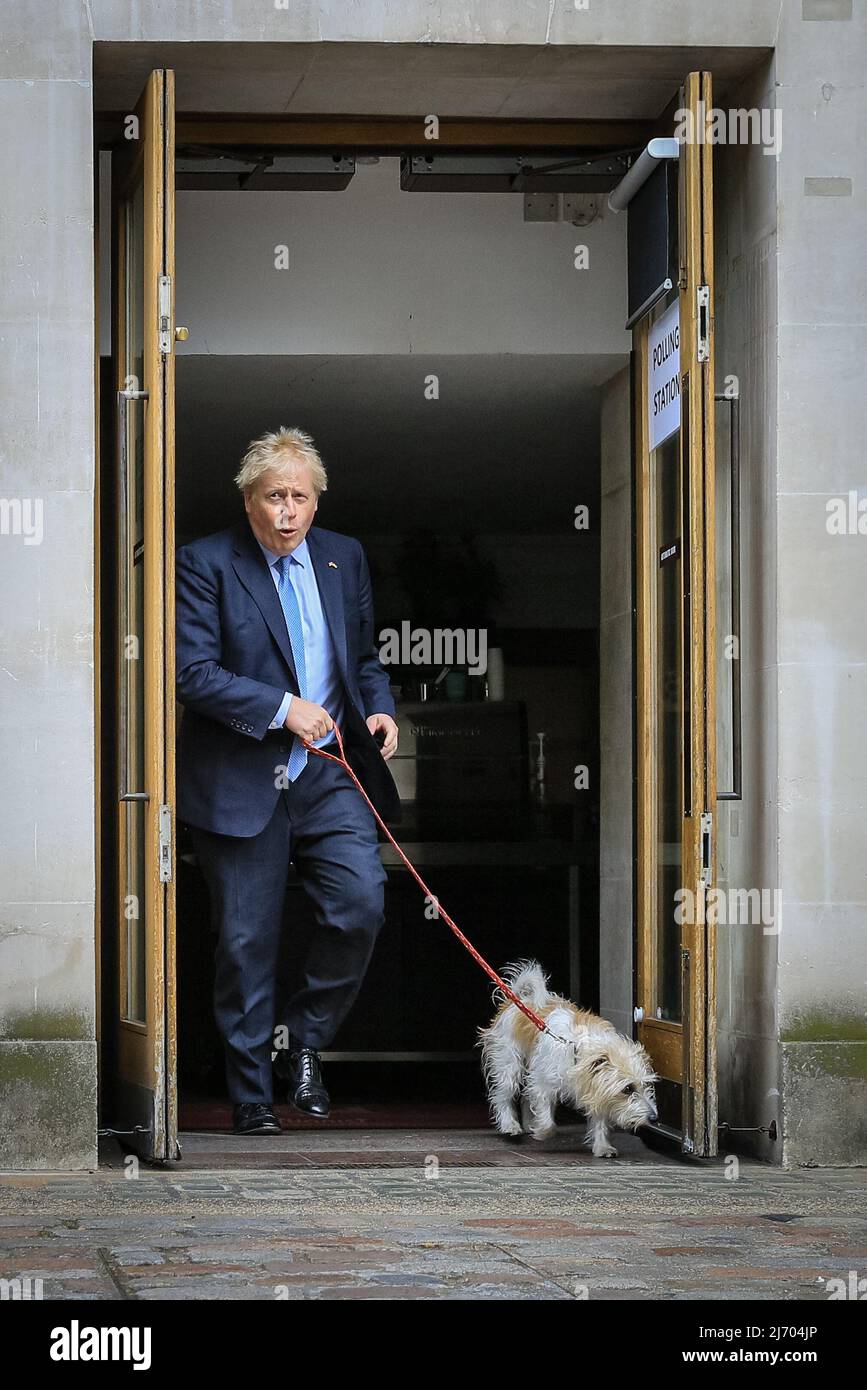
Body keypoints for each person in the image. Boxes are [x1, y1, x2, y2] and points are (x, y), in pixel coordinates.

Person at [175, 426, 400, 1134]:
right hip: (242, 776)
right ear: (249, 501)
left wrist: (381, 710)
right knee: (245, 941)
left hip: (330, 771)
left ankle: (302, 1042)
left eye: (300, 497)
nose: (288, 512)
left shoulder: (343, 558)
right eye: (274, 497)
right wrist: (282, 709)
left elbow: (360, 657)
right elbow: (192, 674)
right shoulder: (204, 563)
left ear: (316, 500)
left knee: (359, 903)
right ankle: (249, 1095)